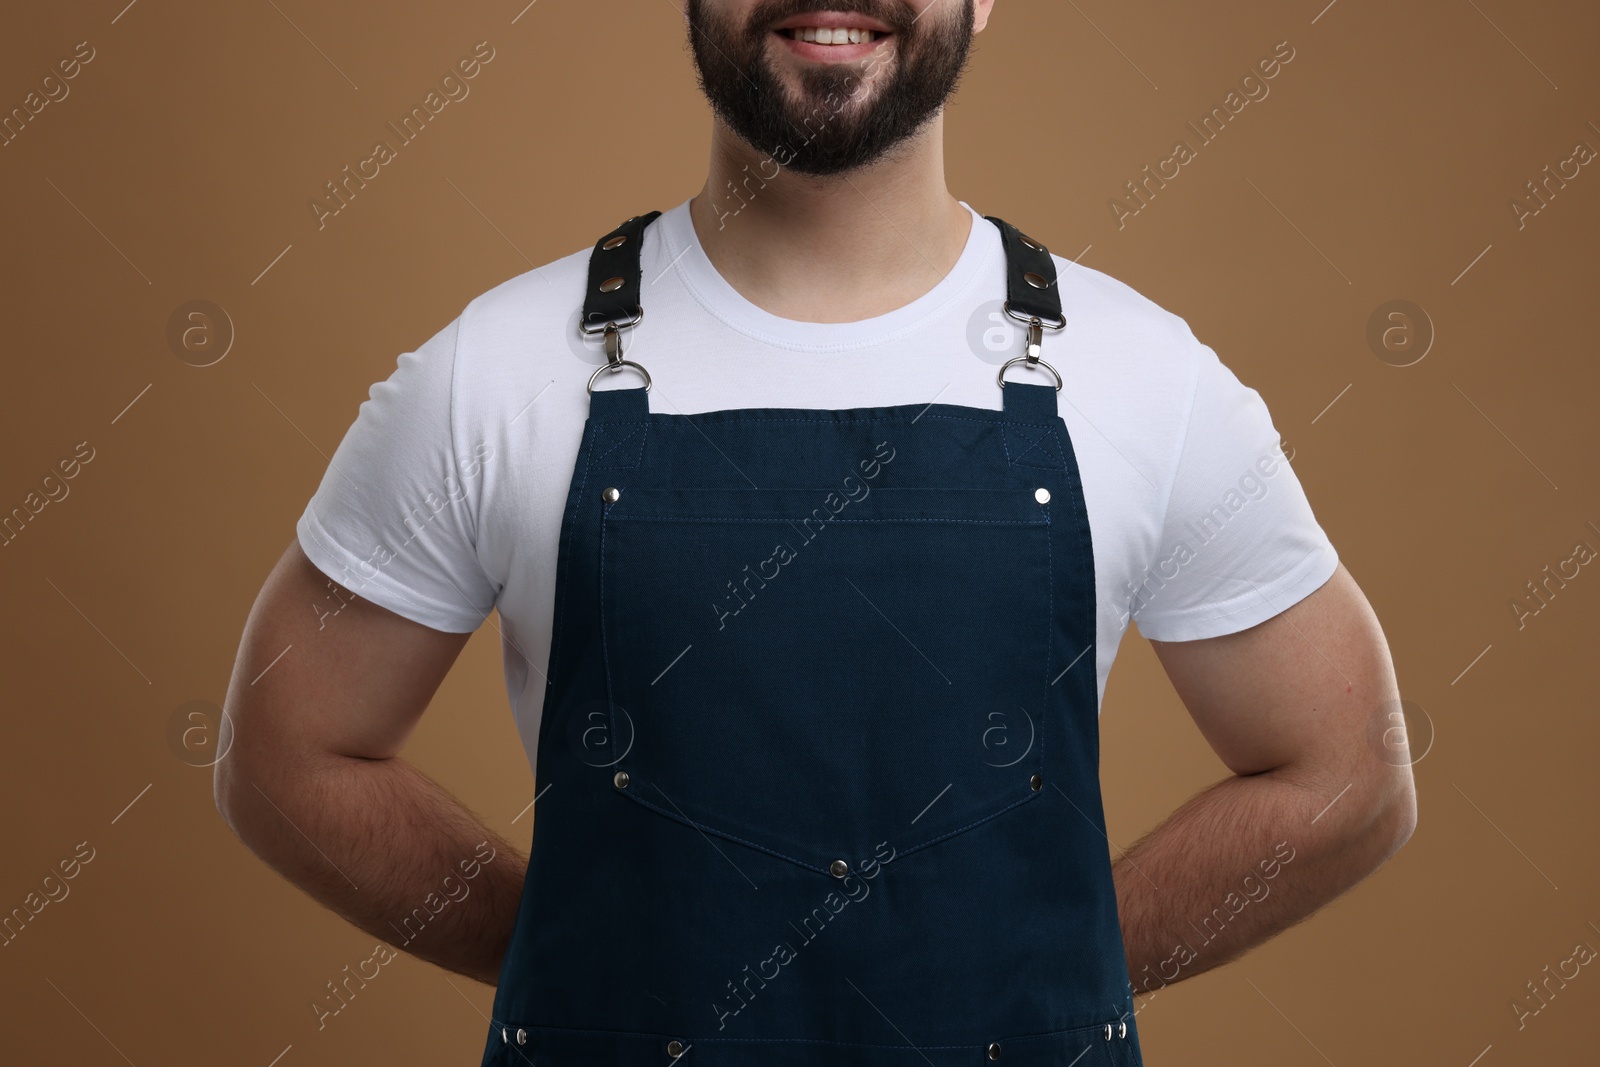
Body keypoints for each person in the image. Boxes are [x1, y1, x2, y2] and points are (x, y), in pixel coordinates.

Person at [215, 2, 1417, 1064]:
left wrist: (1055, 967)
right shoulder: (495, 372)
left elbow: (1348, 771)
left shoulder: (1145, 377)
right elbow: (282, 753)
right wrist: (583, 961)